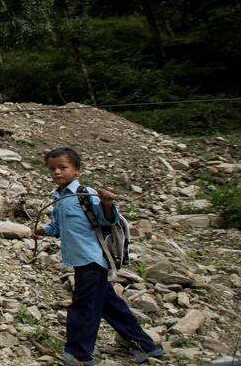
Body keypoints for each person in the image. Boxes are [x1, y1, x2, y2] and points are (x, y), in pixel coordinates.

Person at [33, 147, 164, 365]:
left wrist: (106, 203)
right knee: (109, 304)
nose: (57, 172)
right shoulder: (58, 197)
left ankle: (79, 354)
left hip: (91, 259)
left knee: (84, 306)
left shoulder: (85, 194)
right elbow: (58, 225)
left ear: (76, 170)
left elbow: (107, 220)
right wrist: (43, 231)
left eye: (62, 167)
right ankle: (145, 346)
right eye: (52, 168)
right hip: (80, 259)